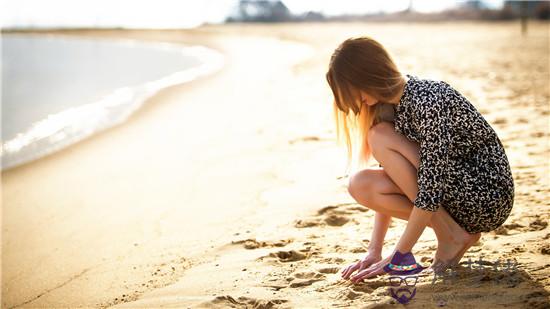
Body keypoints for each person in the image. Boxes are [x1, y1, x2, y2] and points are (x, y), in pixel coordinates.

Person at [325, 36, 515, 283]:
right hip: (452, 190)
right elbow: (402, 176)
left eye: (355, 92)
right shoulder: (388, 107)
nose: (357, 102)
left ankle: (452, 236)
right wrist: (375, 249)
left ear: (369, 75)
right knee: (360, 184)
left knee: (379, 136)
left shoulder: (427, 98)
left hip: (486, 193)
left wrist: (400, 254)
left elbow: (431, 185)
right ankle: (451, 232)